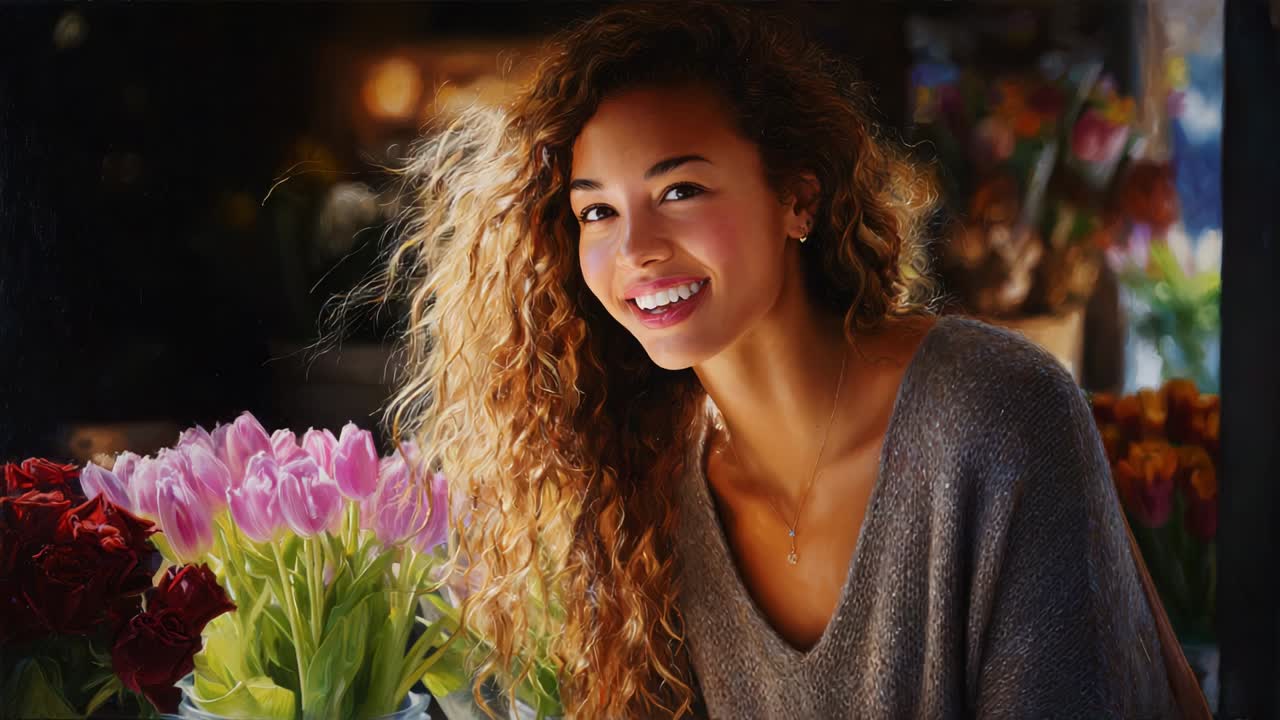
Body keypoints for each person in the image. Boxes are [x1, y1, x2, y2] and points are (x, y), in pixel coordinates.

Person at [369, 2, 1208, 717]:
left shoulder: (995, 413)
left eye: (680, 191)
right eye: (596, 214)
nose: (637, 251)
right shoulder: (644, 496)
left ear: (797, 197)